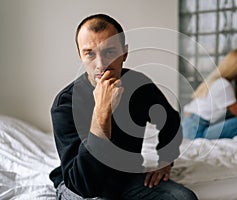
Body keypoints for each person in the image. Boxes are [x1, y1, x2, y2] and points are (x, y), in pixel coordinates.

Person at [49, 13, 198, 200]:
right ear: (80, 55)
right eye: (90, 54)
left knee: (183, 198)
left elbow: (171, 120)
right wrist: (101, 115)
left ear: (124, 53)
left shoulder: (140, 86)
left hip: (128, 178)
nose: (101, 65)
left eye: (109, 52)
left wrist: (165, 160)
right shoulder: (65, 104)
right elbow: (84, 186)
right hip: (81, 185)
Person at [181, 48, 237, 143]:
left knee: (233, 119)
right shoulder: (224, 86)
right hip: (197, 132)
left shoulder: (216, 81)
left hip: (189, 127)